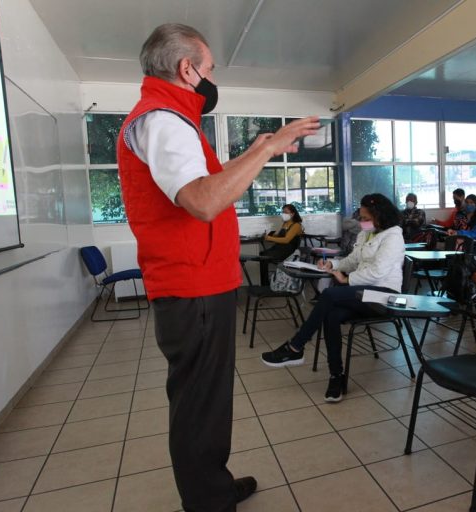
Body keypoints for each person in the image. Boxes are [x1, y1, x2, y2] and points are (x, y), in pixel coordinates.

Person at [116, 23, 319, 512]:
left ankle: (214, 487)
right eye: (208, 69)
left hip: (199, 282)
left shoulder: (171, 118)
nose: (212, 78)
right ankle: (209, 502)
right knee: (200, 405)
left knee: (204, 400)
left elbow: (205, 181)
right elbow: (203, 201)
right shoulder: (165, 120)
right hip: (195, 286)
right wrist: (267, 149)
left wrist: (255, 151)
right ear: (187, 69)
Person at [260, 193, 404, 402]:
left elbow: (378, 272)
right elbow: (353, 259)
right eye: (361, 217)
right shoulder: (367, 233)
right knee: (331, 315)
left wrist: (347, 279)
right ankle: (336, 376)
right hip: (362, 293)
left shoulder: (393, 236)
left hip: (384, 294)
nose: (362, 221)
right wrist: (333, 264)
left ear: (380, 215)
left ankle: (295, 346)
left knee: (328, 295)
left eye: (366, 218)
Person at [258, 204, 304, 283]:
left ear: (292, 214)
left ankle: (265, 282)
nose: (283, 214)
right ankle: (264, 281)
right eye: (283, 212)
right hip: (279, 248)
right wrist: (271, 235)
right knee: (261, 254)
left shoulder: (296, 225)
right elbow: (280, 235)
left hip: (288, 251)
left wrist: (269, 238)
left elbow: (286, 240)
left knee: (264, 257)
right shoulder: (285, 224)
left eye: (286, 212)